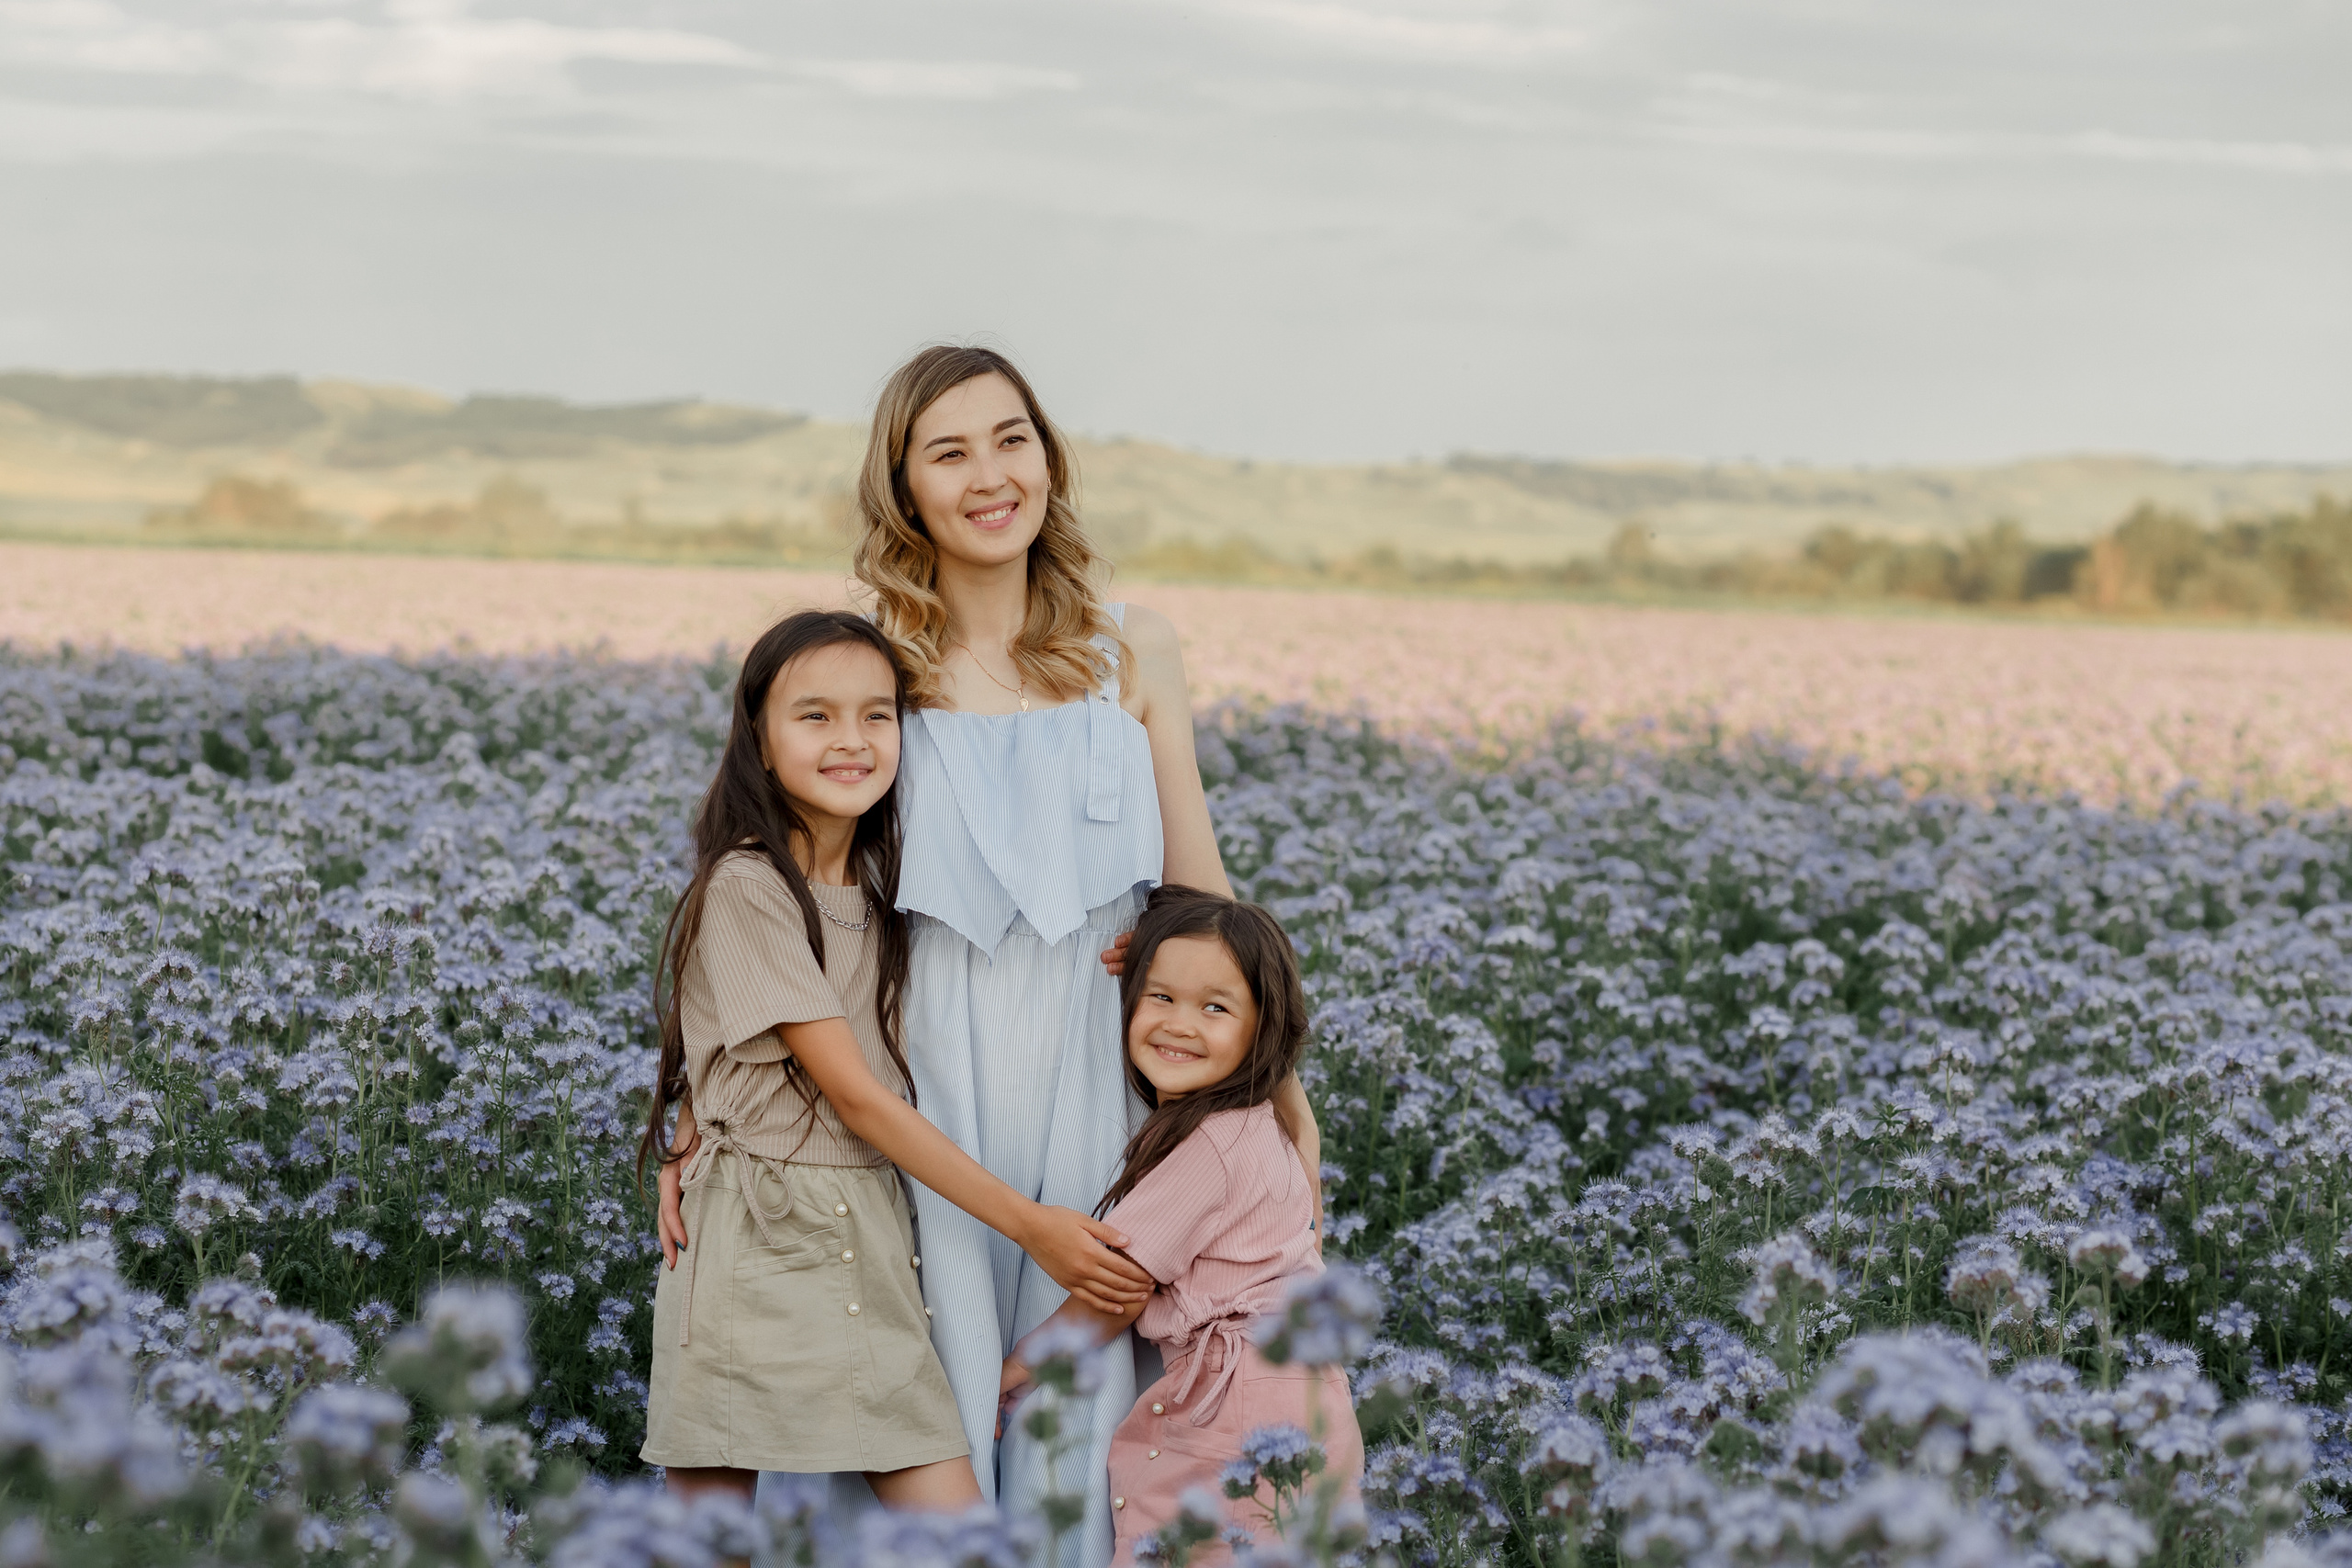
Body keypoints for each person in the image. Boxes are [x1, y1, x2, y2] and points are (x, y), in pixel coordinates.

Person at [664, 344, 1321, 1562]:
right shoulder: (872, 665)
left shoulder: (1138, 646)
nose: (988, 475)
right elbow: (788, 889)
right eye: (948, 451)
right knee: (943, 1391)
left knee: (1089, 1398)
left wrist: (1276, 1089)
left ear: (1049, 458)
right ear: (904, 487)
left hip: (1106, 1070)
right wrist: (707, 1116)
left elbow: (1199, 886)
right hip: (929, 1076)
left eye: (1010, 438)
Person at [638, 608, 1152, 1509]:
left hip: (869, 1239)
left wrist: (1140, 944)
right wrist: (1031, 1225)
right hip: (760, 1243)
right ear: (757, 737)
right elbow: (860, 1098)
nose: (852, 740)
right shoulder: (749, 886)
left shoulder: (879, 888)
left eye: (878, 715)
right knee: (706, 1539)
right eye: (815, 716)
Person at [999, 886, 1363, 1568]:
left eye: (1215, 1007)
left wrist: (1016, 1366)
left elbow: (1118, 1286)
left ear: (1263, 1030)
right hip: (1309, 1387)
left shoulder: (1211, 1147)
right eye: (1159, 996)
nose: (1178, 1023)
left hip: (1239, 1396)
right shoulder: (1260, 1127)